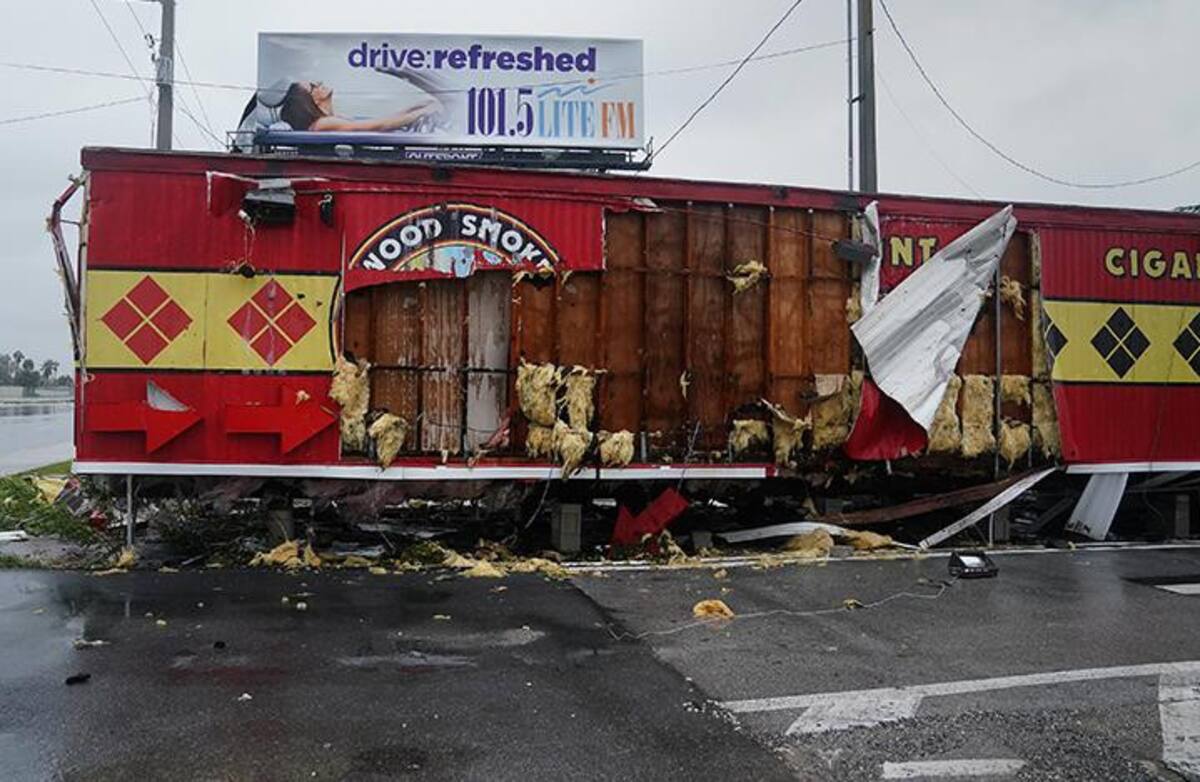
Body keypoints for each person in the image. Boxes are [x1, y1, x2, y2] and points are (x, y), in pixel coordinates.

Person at [240, 80, 441, 132]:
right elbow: (376, 127)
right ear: (311, 100)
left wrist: (416, 108)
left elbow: (378, 121)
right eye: (312, 86)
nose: (318, 83)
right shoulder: (323, 124)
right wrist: (421, 113)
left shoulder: (330, 120)